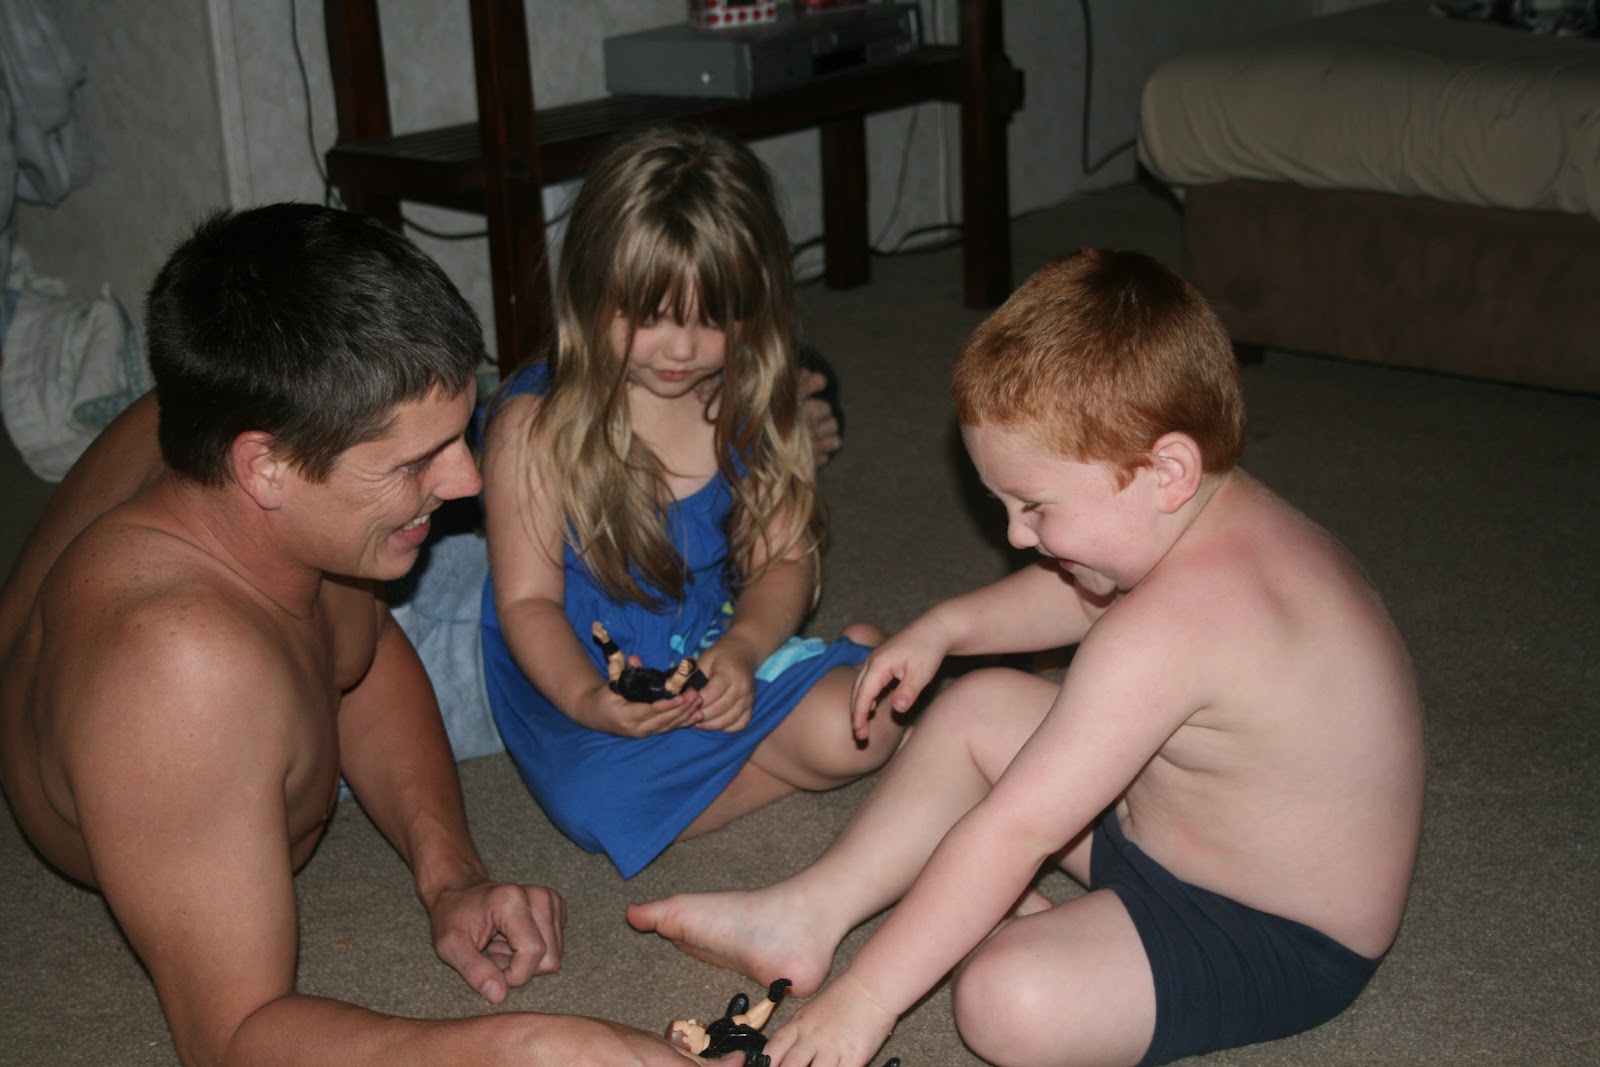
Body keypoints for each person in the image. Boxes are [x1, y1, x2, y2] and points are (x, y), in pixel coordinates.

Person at [627, 249, 1427, 1067]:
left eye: (1036, 507)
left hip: (1265, 931)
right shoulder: (1189, 514)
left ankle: (1013, 926)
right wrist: (948, 628)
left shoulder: (1174, 628)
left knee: (1007, 998)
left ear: (1166, 470)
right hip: (1157, 828)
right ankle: (806, 913)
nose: (1016, 534)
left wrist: (865, 1000)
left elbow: (1017, 828)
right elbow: (1082, 591)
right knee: (975, 704)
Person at [0, 203, 700, 1067]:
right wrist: (533, 1046)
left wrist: (450, 874)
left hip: (256, 587)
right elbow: (233, 1035)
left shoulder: (279, 452)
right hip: (164, 721)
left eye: (460, 436)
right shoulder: (176, 677)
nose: (469, 479)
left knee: (602, 552)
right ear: (264, 469)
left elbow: (362, 658)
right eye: (418, 461)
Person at [477, 124, 904, 879]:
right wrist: (587, 699)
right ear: (588, 292)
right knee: (597, 805)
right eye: (649, 317)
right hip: (580, 685)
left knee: (857, 733)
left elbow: (783, 565)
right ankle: (823, 683)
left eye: (712, 320)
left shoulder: (745, 402)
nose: (680, 350)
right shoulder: (533, 427)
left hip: (716, 657)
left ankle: (800, 696)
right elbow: (526, 604)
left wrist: (744, 648)